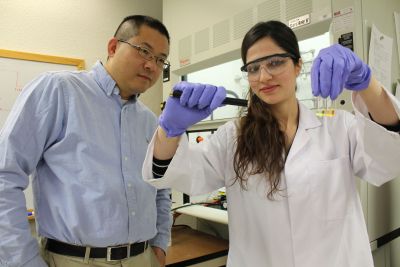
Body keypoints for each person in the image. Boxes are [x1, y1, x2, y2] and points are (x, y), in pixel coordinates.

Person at [142, 20, 400, 267]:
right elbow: (178, 175)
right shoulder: (233, 136)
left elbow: (388, 161)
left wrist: (368, 84)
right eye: (253, 68)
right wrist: (170, 130)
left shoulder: (338, 127)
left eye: (275, 63)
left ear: (298, 65)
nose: (263, 77)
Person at [0, 15, 171, 267]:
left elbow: (161, 187)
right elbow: (5, 175)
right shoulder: (58, 90)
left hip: (143, 258)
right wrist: (23, 262)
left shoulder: (149, 121)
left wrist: (160, 245)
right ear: (113, 47)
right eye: (144, 51)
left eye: (160, 59)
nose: (151, 66)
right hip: (76, 260)